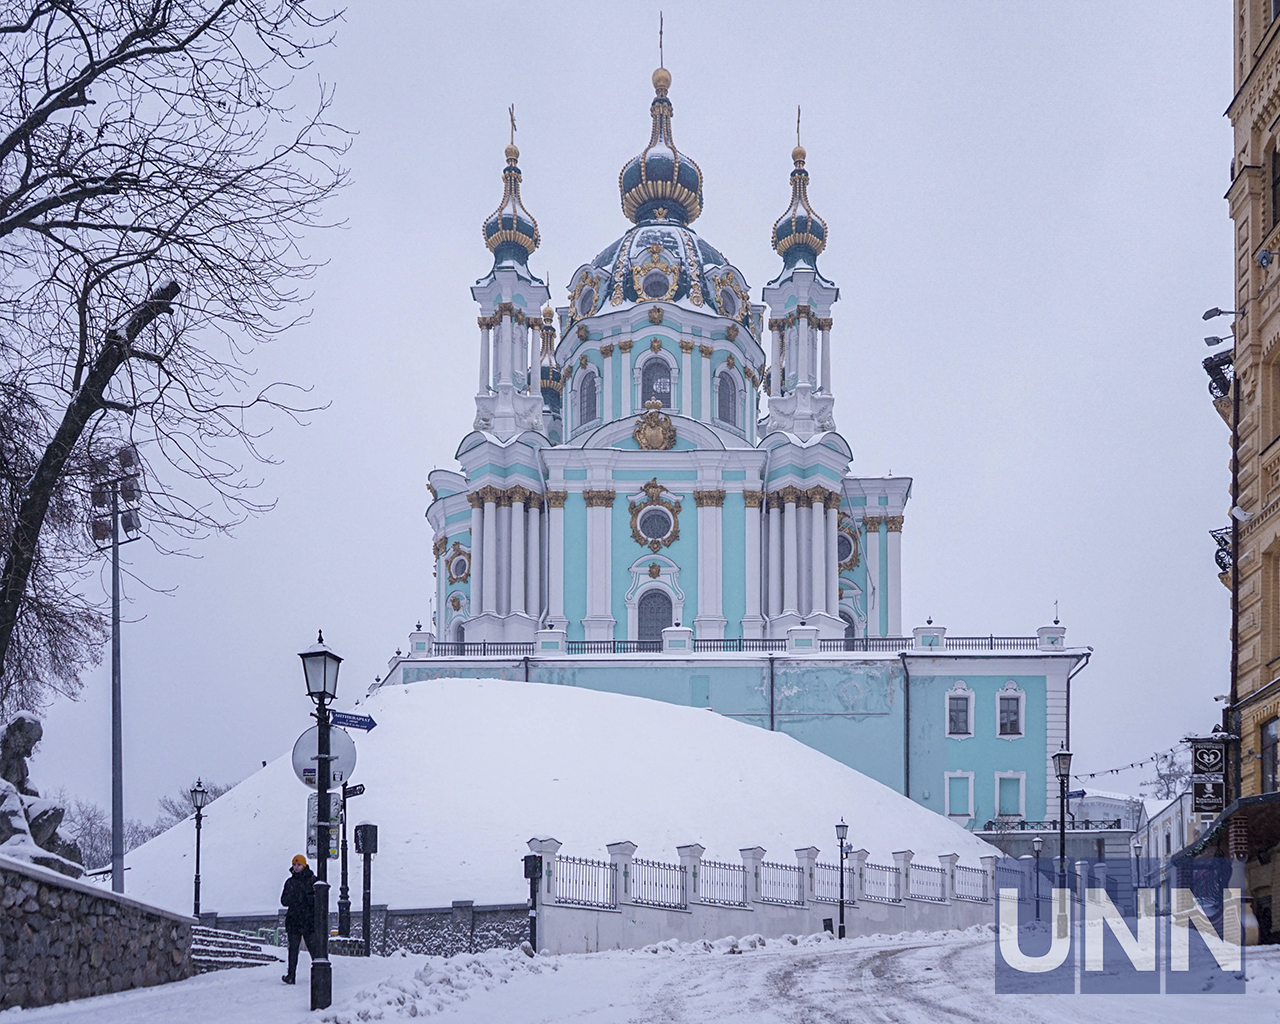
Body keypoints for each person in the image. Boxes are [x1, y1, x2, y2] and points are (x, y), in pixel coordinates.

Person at [280, 854, 317, 984]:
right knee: (293, 949)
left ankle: (318, 972)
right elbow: (283, 900)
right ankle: (291, 975)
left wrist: (301, 899)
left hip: (307, 920)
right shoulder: (290, 882)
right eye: (295, 864)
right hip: (295, 920)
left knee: (313, 948)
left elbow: (317, 900)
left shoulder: (312, 880)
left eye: (299, 864)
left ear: (304, 865)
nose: (296, 867)